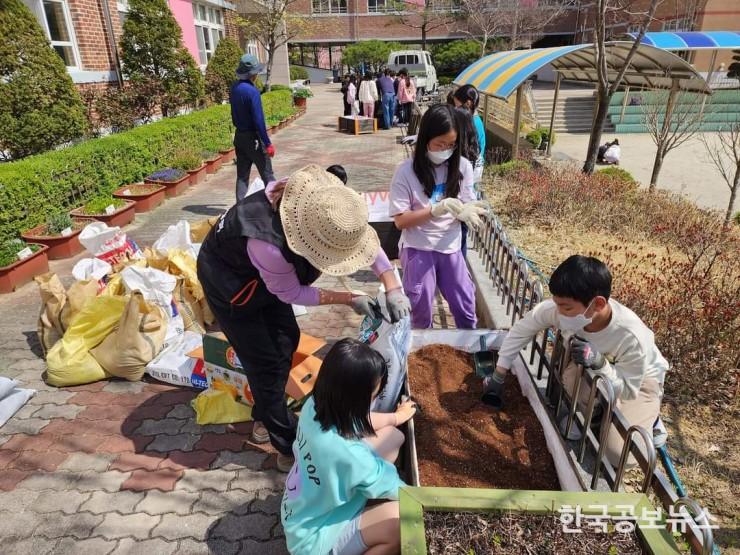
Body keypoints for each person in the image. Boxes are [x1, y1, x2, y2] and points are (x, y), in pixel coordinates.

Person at [197, 165, 412, 472]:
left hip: (265, 280)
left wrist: (392, 286)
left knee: (287, 340)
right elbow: (291, 293)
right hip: (233, 286)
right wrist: (349, 298)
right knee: (267, 365)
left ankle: (264, 411)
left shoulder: (326, 200)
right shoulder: (267, 244)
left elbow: (365, 241)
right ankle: (284, 441)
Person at [484, 255, 668, 466]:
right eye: (557, 304)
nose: (559, 313)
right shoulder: (562, 309)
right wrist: (499, 375)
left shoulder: (630, 336)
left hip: (638, 380)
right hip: (593, 371)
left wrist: (600, 364)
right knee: (570, 379)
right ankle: (593, 415)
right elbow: (520, 331)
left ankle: (651, 419)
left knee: (618, 455)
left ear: (597, 303)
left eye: (567, 308)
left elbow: (627, 388)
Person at [281, 338, 417, 555]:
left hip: (301, 516)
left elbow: (359, 422)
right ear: (356, 399)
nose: (376, 397)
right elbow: (398, 489)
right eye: (374, 394)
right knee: (402, 520)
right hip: (315, 542)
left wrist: (397, 417)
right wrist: (433, 501)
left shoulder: (315, 406)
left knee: (392, 438)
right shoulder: (349, 455)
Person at [389, 104, 488, 329]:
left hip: (450, 246)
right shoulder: (406, 171)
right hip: (418, 248)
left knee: (465, 304)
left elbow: (466, 200)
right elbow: (401, 220)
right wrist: (435, 209)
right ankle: (420, 353)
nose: (445, 150)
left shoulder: (462, 166)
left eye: (451, 145)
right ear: (426, 139)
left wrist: (466, 210)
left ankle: (468, 348)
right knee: (420, 310)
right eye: (439, 144)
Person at [231, 54, 276, 203]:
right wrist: (267, 143)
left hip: (240, 137)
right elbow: (258, 121)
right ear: (253, 74)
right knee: (267, 174)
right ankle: (275, 205)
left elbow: (233, 114)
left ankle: (239, 208)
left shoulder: (234, 88)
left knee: (242, 176)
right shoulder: (252, 92)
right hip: (254, 139)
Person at [450, 107, 480, 259]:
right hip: (464, 205)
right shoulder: (473, 147)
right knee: (461, 242)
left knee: (458, 243)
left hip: (458, 206)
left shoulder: (460, 155)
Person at [451, 85, 486, 186]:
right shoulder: (473, 119)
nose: (455, 108)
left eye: (457, 106)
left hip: (473, 166)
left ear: (468, 103)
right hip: (472, 164)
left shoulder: (472, 122)